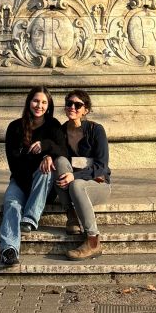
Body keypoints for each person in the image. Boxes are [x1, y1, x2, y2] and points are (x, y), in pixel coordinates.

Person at [0, 86, 65, 266]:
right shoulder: (15, 127)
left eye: (44, 102)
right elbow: (14, 163)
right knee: (11, 204)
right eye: (36, 101)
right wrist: (39, 159)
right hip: (21, 181)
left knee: (46, 170)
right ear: (29, 102)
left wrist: (47, 150)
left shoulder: (53, 125)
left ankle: (29, 219)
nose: (39, 106)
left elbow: (63, 151)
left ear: (49, 106)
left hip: (43, 187)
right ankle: (9, 249)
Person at [51, 89, 111, 261]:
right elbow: (55, 155)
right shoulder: (61, 131)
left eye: (78, 105)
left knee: (77, 184)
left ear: (86, 110)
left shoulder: (96, 130)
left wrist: (75, 177)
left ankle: (93, 241)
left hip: (98, 184)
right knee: (59, 161)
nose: (72, 107)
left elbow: (101, 167)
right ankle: (72, 216)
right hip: (70, 187)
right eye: (69, 103)